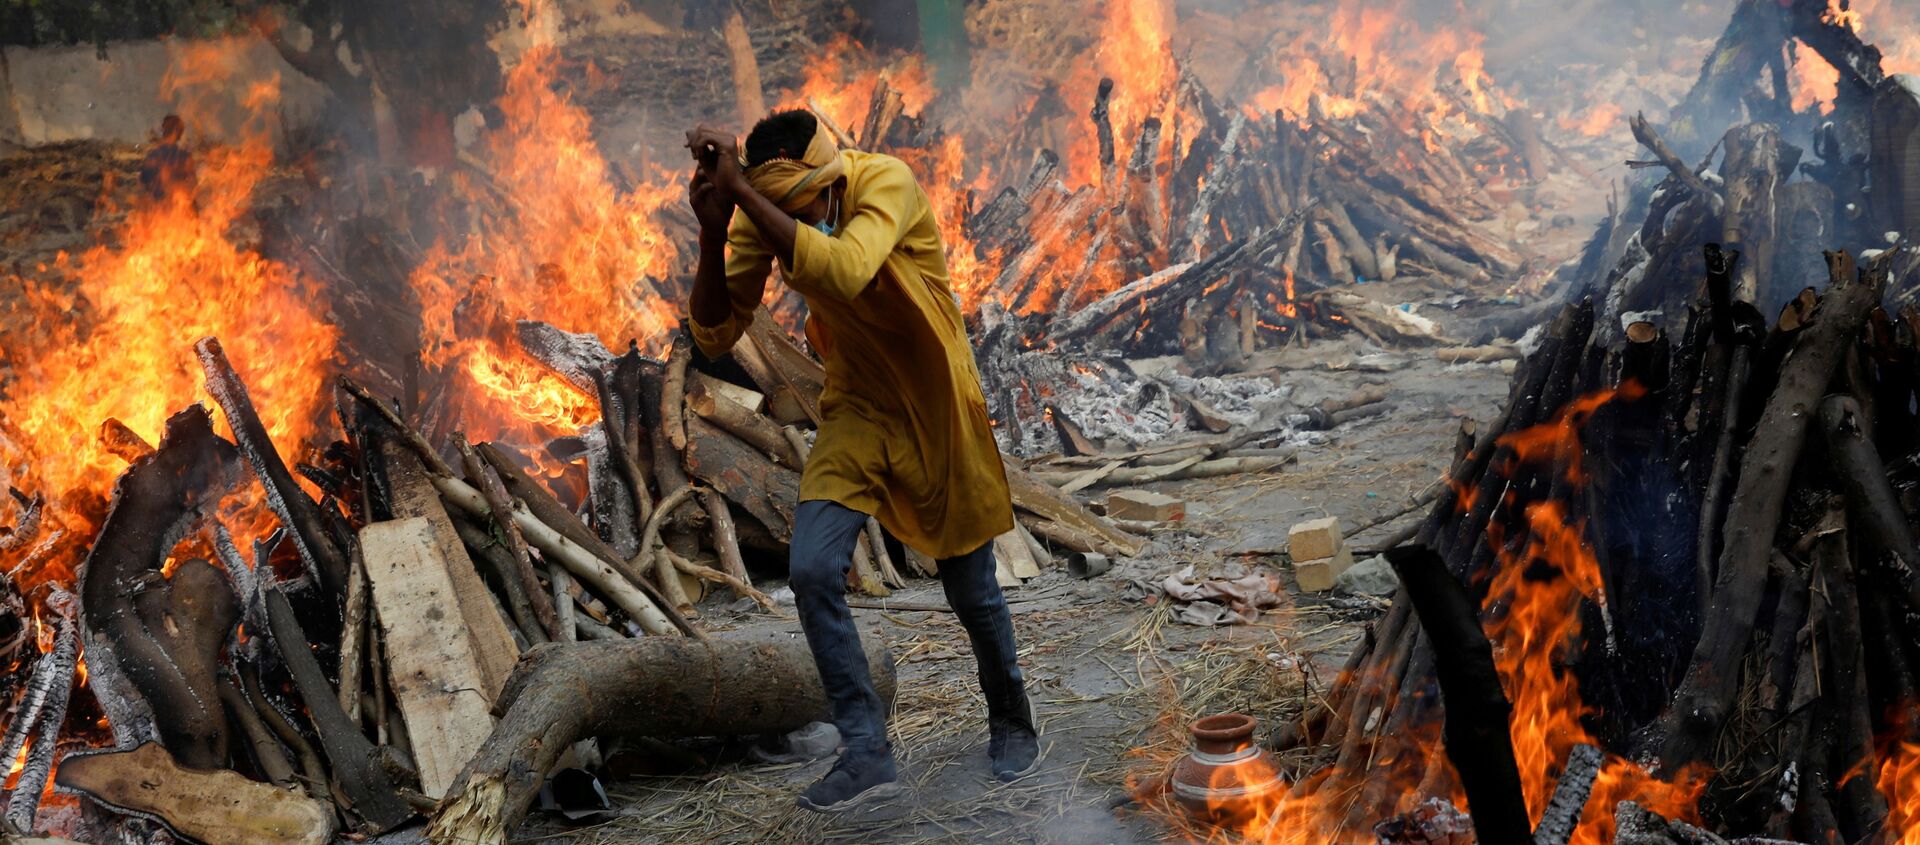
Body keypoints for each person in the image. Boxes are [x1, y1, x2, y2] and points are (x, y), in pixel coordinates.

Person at [683, 111, 1039, 812]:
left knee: (971, 585)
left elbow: (844, 271)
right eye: (775, 207)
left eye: (800, 206)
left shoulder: (885, 182)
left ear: (826, 179)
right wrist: (713, 228)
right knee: (813, 566)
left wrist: (749, 196)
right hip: (859, 406)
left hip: (935, 399)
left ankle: (1010, 716)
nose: (791, 221)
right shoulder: (766, 210)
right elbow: (717, 329)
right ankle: (867, 751)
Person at [139, 115, 195, 202]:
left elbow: (142, 188)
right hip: (177, 210)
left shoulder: (151, 157)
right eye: (181, 130)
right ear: (177, 131)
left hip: (155, 212)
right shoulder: (184, 157)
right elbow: (192, 186)